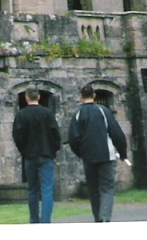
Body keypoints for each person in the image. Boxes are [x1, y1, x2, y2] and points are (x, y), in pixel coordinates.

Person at [68, 84, 129, 222]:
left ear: (81, 97)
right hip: (106, 155)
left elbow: (73, 138)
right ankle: (105, 218)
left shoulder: (78, 114)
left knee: (93, 189)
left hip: (88, 157)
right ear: (94, 96)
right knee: (107, 188)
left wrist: (81, 153)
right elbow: (117, 134)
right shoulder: (104, 111)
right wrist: (122, 153)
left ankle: (98, 218)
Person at [11, 86, 62, 223]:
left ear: (26, 97)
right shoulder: (47, 113)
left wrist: (24, 151)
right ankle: (45, 221)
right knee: (47, 189)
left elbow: (17, 136)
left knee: (32, 189)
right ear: (38, 97)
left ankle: (34, 220)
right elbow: (55, 134)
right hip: (46, 154)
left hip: (30, 155)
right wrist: (54, 149)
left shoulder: (21, 115)